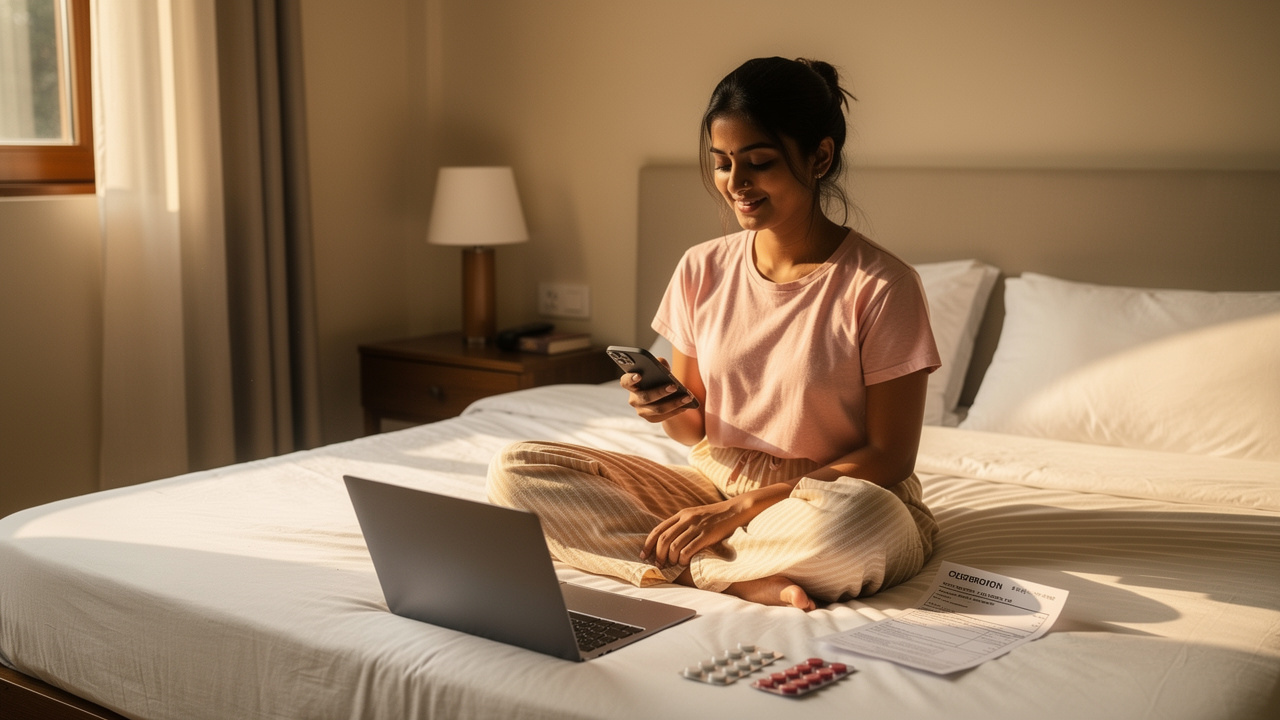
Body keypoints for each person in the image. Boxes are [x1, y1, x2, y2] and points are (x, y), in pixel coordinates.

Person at [487, 57, 940, 611]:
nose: (735, 183)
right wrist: (661, 404)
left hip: (829, 497)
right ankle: (731, 575)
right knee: (515, 473)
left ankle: (694, 561)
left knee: (856, 526)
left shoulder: (883, 285)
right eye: (722, 163)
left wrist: (743, 511)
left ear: (819, 157)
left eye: (759, 162)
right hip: (712, 483)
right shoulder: (701, 268)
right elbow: (692, 429)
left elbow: (891, 457)